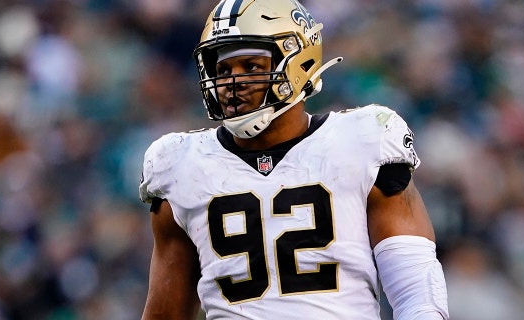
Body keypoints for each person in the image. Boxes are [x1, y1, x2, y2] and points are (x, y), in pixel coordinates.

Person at [139, 0, 449, 319]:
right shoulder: (180, 166)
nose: (233, 83)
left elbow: (417, 294)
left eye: (251, 66)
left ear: (298, 63)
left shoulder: (362, 142)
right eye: (223, 70)